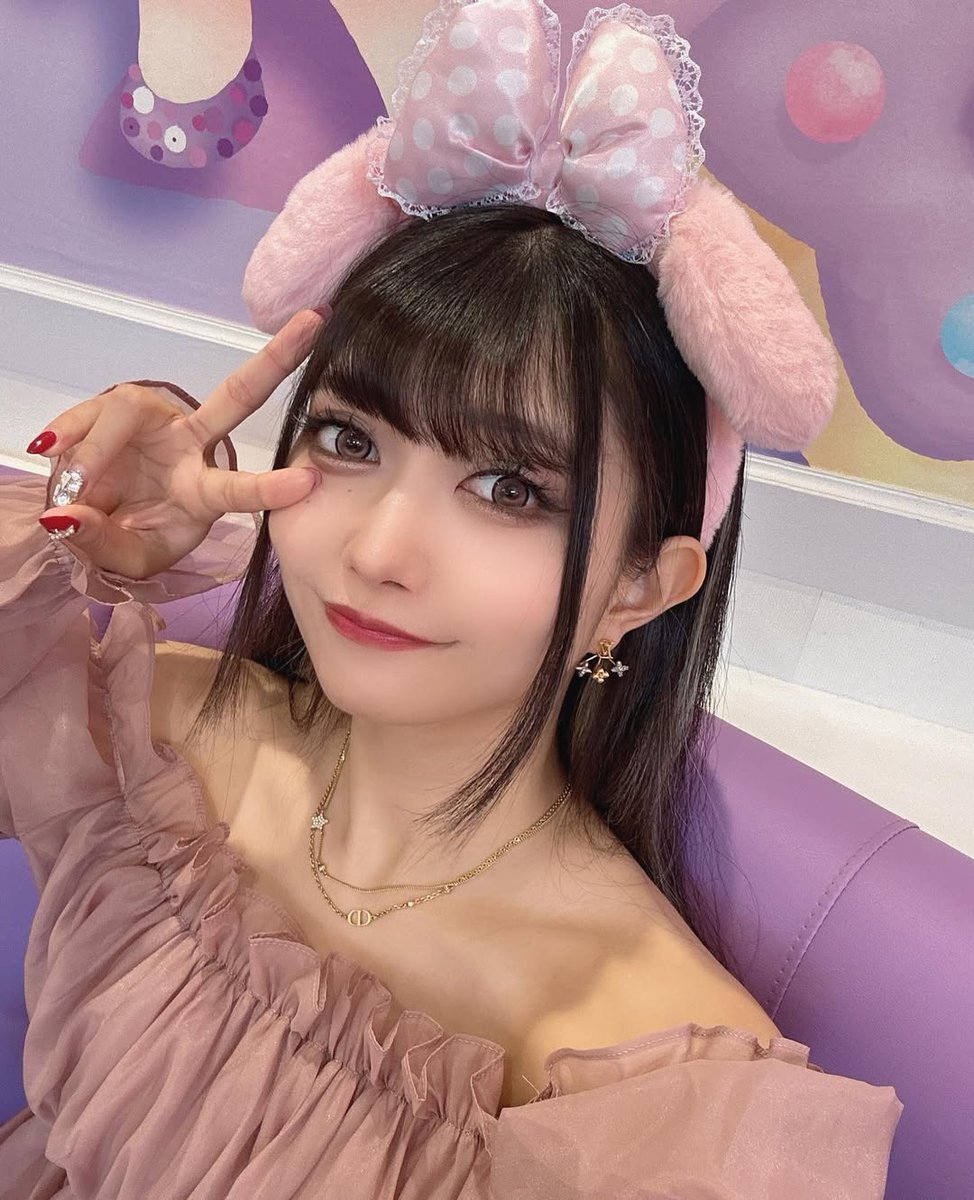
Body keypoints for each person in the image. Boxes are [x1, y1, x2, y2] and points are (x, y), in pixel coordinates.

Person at [0, 1, 903, 1195]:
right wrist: (73, 517)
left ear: (640, 586)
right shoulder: (161, 732)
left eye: (507, 489)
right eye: (348, 440)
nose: (378, 550)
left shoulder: (649, 1076)